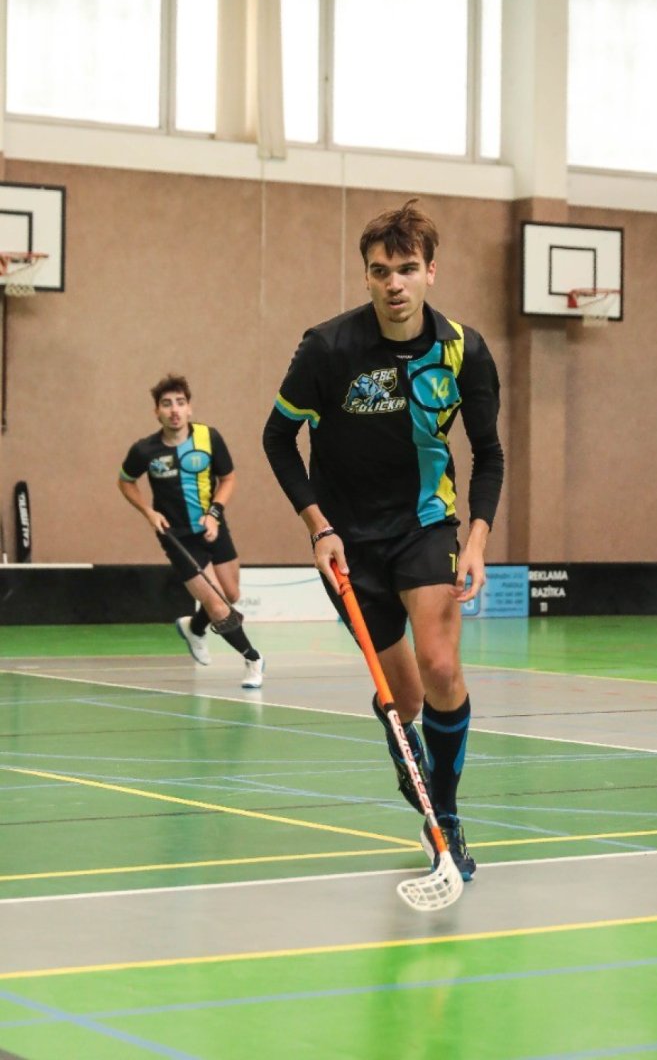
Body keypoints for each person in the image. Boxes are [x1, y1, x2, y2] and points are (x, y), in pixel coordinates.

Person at [262, 200, 503, 880]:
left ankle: (444, 817)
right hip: (347, 543)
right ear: (365, 276)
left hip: (426, 525)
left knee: (441, 667)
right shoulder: (328, 347)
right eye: (379, 271)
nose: (394, 283)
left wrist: (476, 540)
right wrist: (318, 526)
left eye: (407, 269)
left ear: (431, 272)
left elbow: (488, 453)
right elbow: (278, 438)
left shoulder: (464, 350)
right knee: (406, 698)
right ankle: (403, 742)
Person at [118, 374, 264, 689]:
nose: (174, 410)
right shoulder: (145, 450)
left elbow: (228, 478)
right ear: (156, 411)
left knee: (231, 594)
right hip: (177, 536)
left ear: (189, 408)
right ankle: (253, 659)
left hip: (213, 527)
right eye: (166, 404)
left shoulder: (209, 438)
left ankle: (194, 628)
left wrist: (214, 514)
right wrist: (148, 512)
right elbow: (126, 481)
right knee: (218, 604)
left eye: (180, 403)